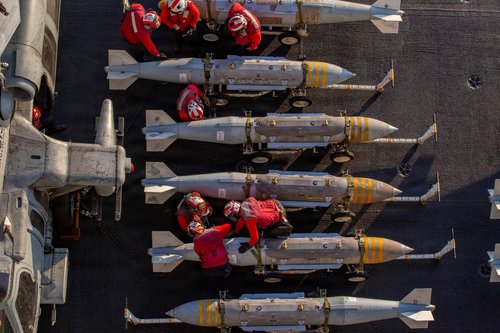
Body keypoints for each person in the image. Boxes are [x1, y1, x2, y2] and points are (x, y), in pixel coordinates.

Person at [223, 197, 292, 253]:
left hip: (279, 217)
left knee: (262, 233)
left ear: (235, 212)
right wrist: (236, 231)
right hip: (276, 203)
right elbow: (242, 219)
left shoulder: (249, 219)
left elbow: (255, 238)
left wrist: (247, 246)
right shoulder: (247, 201)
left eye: (232, 215)